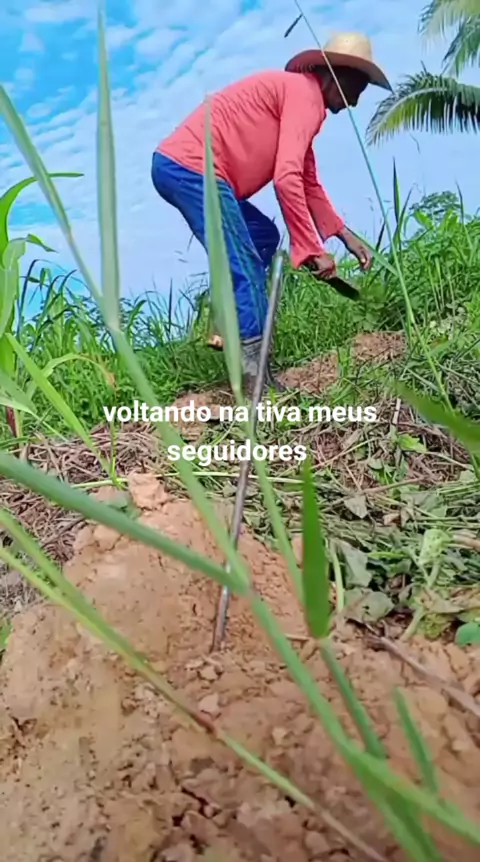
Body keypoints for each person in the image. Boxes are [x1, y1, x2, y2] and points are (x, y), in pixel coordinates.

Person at [151, 32, 391, 393]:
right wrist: (311, 249)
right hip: (192, 169)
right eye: (356, 89)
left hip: (185, 169)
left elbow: (307, 181)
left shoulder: (301, 100)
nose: (355, 102)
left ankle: (223, 319)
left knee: (263, 236)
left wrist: (344, 235)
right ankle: (254, 378)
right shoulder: (304, 96)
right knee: (246, 262)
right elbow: (286, 178)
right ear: (337, 75)